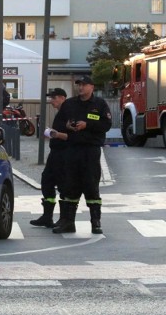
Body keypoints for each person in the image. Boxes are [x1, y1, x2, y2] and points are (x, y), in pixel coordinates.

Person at [53, 75, 112, 235]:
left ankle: (96, 222)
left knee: (91, 185)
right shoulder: (70, 104)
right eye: (79, 85)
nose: (80, 88)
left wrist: (88, 124)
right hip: (73, 149)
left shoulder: (99, 104)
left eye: (84, 85)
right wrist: (66, 127)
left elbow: (106, 124)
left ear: (92, 87)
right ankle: (68, 222)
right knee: (70, 185)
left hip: (90, 150)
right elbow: (58, 124)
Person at [30, 88, 69, 228]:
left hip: (64, 153)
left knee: (63, 185)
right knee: (47, 180)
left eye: (54, 98)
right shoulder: (61, 112)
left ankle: (65, 219)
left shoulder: (69, 112)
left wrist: (55, 134)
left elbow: (72, 135)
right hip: (55, 152)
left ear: (62, 98)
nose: (51, 101)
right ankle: (47, 216)